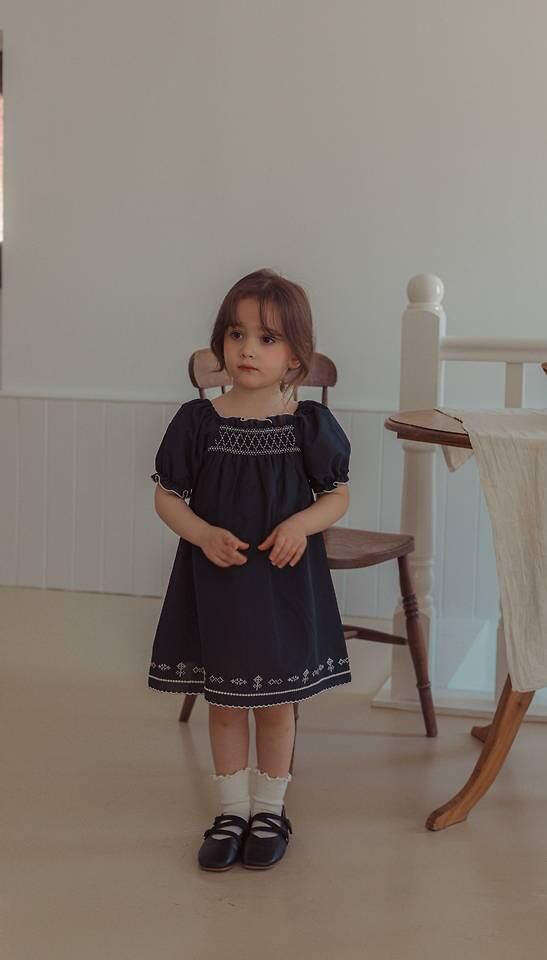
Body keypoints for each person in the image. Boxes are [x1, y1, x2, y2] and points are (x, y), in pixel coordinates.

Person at [148, 268, 352, 871]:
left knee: (275, 702)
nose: (248, 350)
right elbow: (167, 497)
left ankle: (270, 809)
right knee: (226, 701)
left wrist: (300, 525)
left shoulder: (306, 424)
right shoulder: (198, 422)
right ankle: (231, 810)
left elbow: (336, 496)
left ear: (296, 355)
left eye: (267, 339)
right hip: (219, 582)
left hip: (282, 583)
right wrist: (201, 533)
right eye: (236, 335)